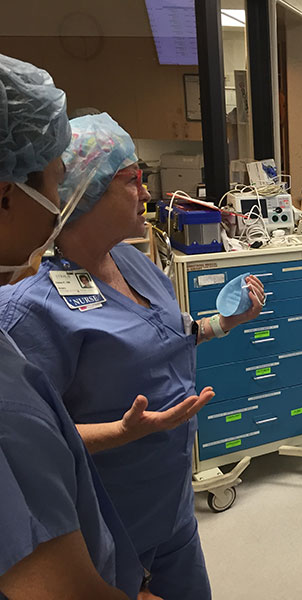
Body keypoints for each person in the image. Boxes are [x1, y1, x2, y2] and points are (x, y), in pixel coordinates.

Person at [0, 113, 266, 600]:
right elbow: (24, 447)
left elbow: (166, 336)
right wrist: (122, 433)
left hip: (171, 510)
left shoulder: (130, 262)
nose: (146, 194)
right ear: (86, 191)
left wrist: (221, 323)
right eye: (132, 180)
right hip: (106, 532)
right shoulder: (29, 311)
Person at [0, 54, 146, 599]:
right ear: (7, 192)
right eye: (57, 182)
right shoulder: (21, 329)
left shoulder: (132, 262)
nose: (57, 205)